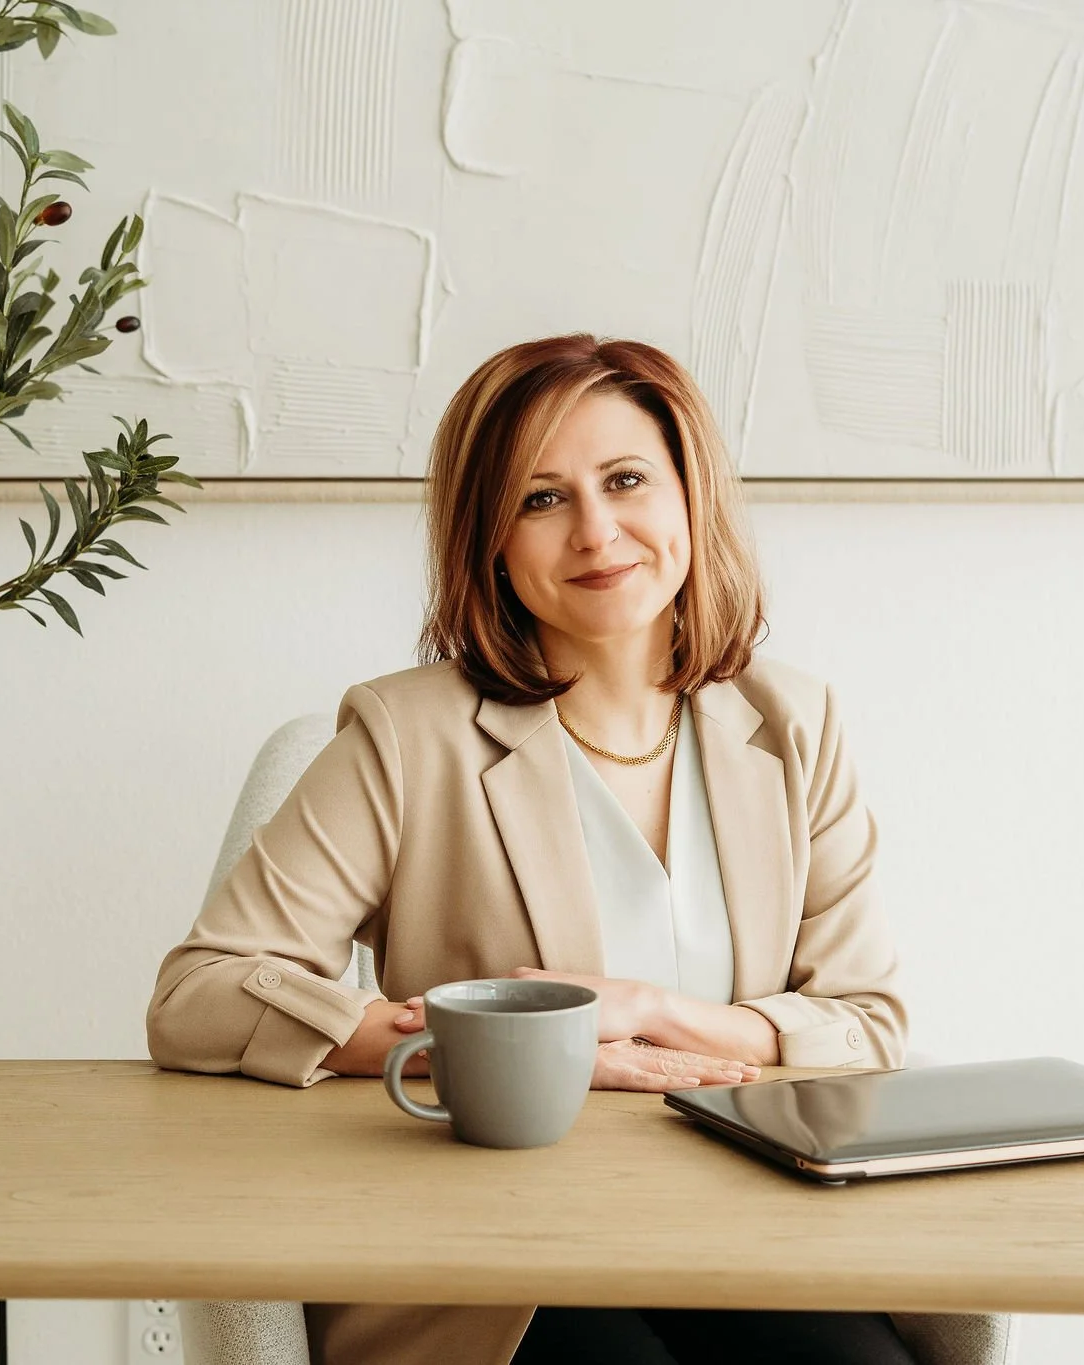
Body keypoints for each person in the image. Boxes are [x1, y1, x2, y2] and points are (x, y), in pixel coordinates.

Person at [147, 334, 914, 1365]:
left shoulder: (791, 724)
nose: (596, 532)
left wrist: (652, 1013)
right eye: (540, 500)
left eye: (626, 480)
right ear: (489, 541)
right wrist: (469, 1046)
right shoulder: (403, 734)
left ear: (690, 497)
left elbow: (867, 1024)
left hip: (748, 1224)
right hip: (494, 1259)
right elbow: (199, 995)